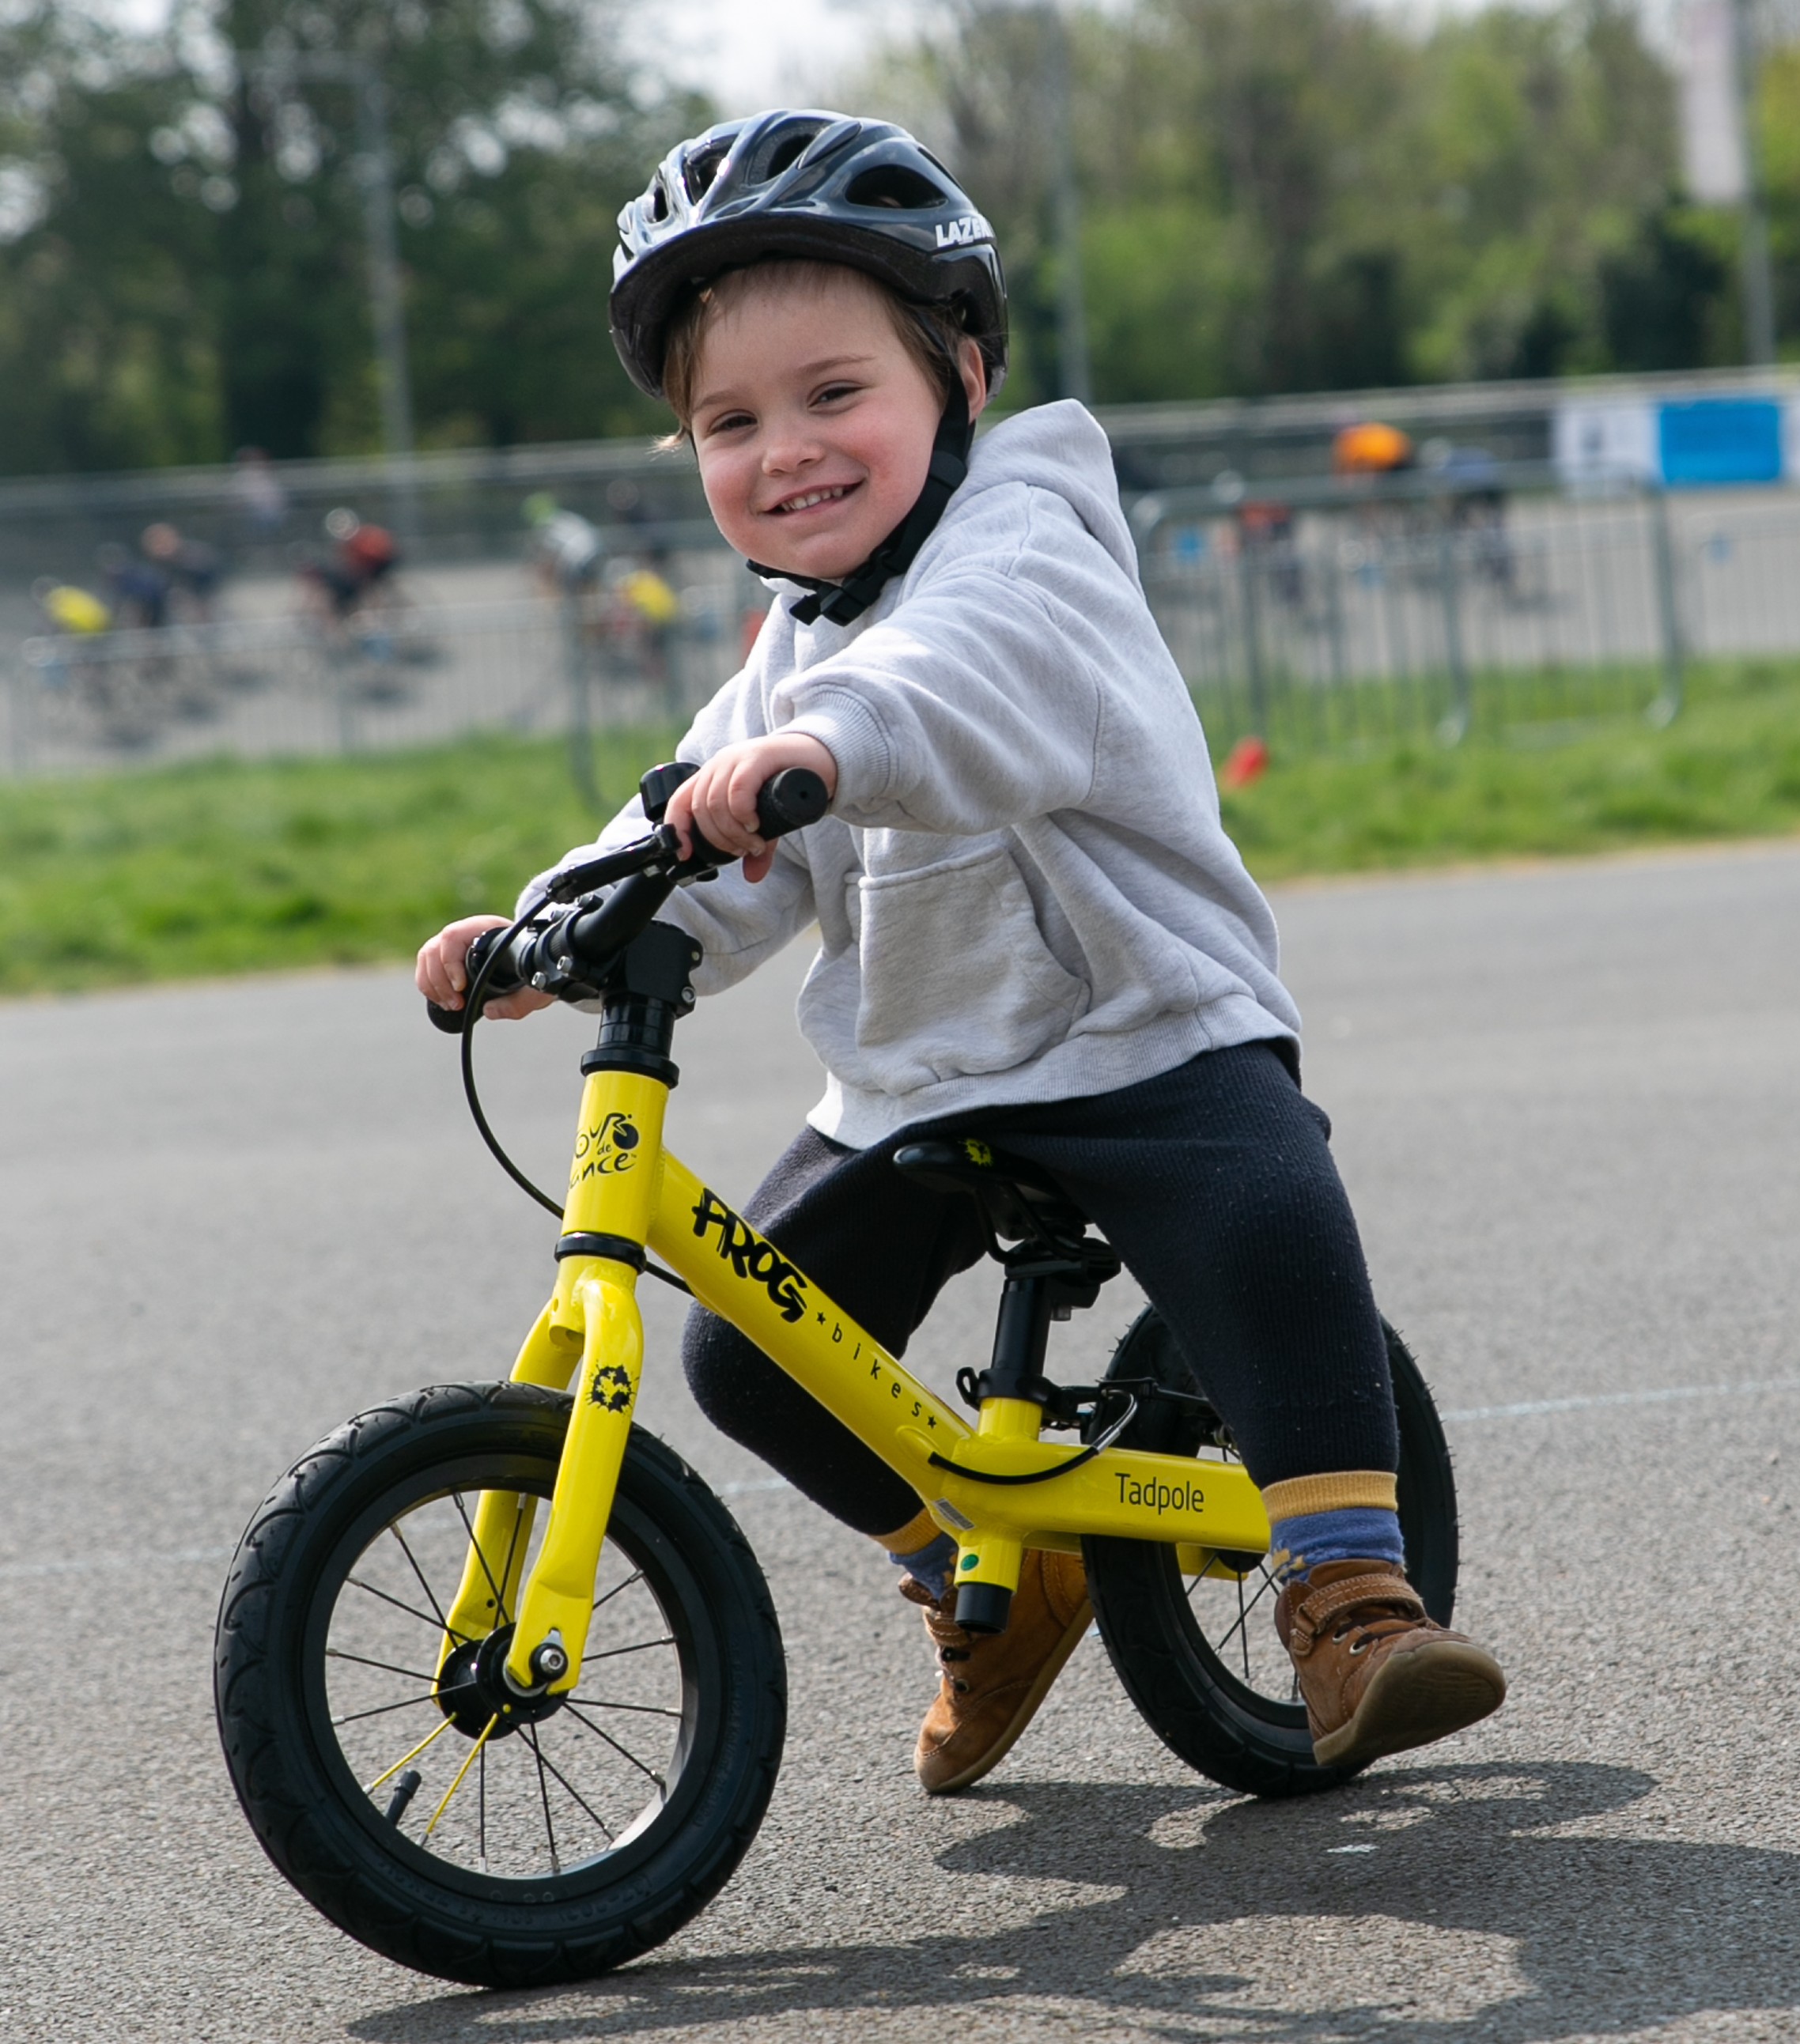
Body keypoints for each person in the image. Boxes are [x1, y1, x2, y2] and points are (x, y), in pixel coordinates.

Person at [417, 109, 1507, 1794]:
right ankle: (983, 1585)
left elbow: (948, 694)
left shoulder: (1026, 551)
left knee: (1263, 1202)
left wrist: (820, 755)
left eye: (834, 394)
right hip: (923, 1075)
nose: (786, 449)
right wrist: (552, 923)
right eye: (730, 421)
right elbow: (706, 838)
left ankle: (1350, 1594)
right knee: (746, 1357)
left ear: (964, 380)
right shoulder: (798, 637)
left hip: (1141, 1028)